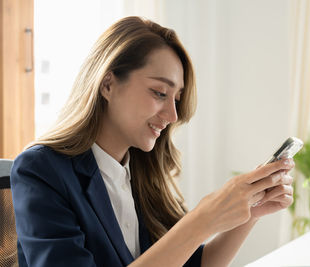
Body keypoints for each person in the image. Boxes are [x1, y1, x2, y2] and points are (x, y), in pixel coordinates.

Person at [10, 16, 295, 267]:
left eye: (176, 99)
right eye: (160, 92)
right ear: (108, 84)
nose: (172, 114)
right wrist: (200, 221)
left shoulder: (142, 171)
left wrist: (251, 214)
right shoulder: (40, 170)